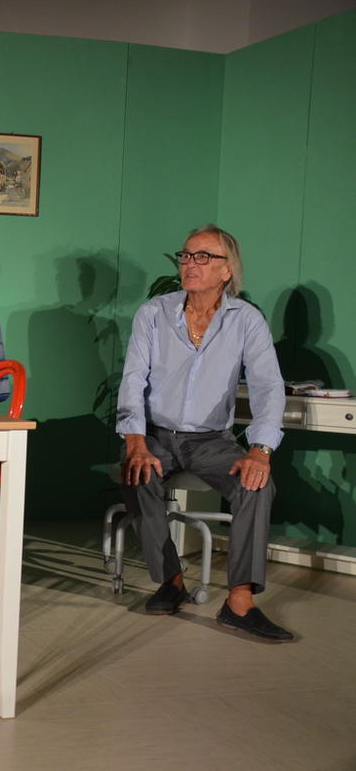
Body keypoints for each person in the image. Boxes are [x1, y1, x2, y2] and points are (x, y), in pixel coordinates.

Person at [117, 224, 292, 641]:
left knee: (256, 485)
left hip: (212, 441)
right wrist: (136, 442)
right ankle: (171, 580)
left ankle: (239, 601)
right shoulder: (153, 313)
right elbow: (133, 379)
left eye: (203, 257)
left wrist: (260, 450)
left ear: (226, 270)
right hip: (155, 434)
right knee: (137, 472)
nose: (190, 264)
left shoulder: (246, 320)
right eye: (186, 255)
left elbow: (268, 387)